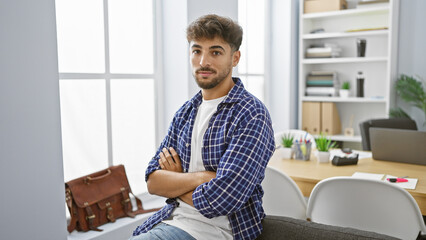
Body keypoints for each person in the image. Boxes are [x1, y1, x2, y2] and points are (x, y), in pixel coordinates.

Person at [130, 14, 275, 240]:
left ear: (235, 58)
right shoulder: (185, 112)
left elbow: (222, 199)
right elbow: (153, 181)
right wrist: (202, 178)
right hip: (169, 220)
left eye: (215, 52)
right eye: (197, 51)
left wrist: (176, 182)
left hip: (216, 233)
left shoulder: (251, 114)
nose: (203, 62)